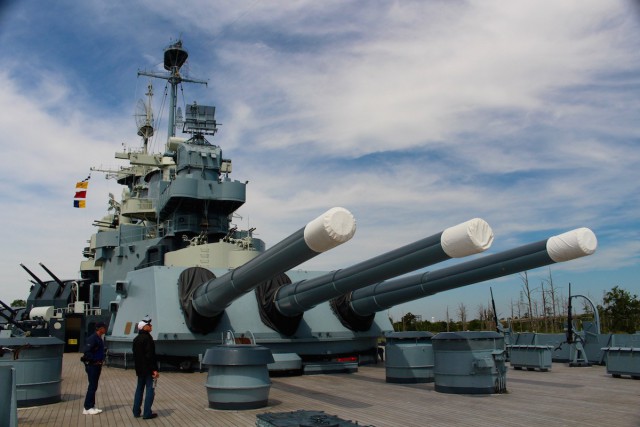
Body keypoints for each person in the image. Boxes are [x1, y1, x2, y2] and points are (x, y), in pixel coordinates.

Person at [132, 316, 159, 419]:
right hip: (148, 370)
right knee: (150, 390)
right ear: (144, 327)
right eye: (149, 325)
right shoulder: (148, 339)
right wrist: (154, 370)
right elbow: (150, 356)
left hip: (139, 369)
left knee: (139, 389)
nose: (151, 326)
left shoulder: (136, 339)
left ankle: (136, 412)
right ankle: (147, 413)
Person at [82, 321, 107, 415]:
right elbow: (87, 351)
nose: (105, 329)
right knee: (92, 386)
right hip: (92, 365)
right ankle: (87, 407)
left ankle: (91, 405)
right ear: (100, 329)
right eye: (104, 327)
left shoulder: (99, 338)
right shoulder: (92, 339)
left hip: (97, 365)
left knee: (94, 385)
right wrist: (94, 360)